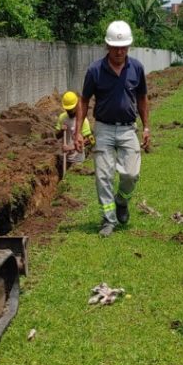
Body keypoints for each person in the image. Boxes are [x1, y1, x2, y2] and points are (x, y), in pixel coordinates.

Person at [73, 20, 151, 237]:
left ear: (129, 47)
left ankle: (121, 201)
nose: (119, 51)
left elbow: (142, 98)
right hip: (104, 129)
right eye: (116, 47)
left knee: (132, 174)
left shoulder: (136, 68)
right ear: (107, 46)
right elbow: (84, 100)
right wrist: (78, 131)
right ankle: (109, 219)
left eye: (123, 47)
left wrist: (146, 128)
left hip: (128, 129)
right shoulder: (95, 70)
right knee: (103, 176)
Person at [54, 90, 94, 166]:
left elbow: (91, 140)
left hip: (78, 160)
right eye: (67, 109)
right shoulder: (62, 118)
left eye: (71, 109)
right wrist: (61, 131)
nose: (69, 111)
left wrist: (72, 147)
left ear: (76, 106)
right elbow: (57, 136)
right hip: (64, 159)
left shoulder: (83, 120)